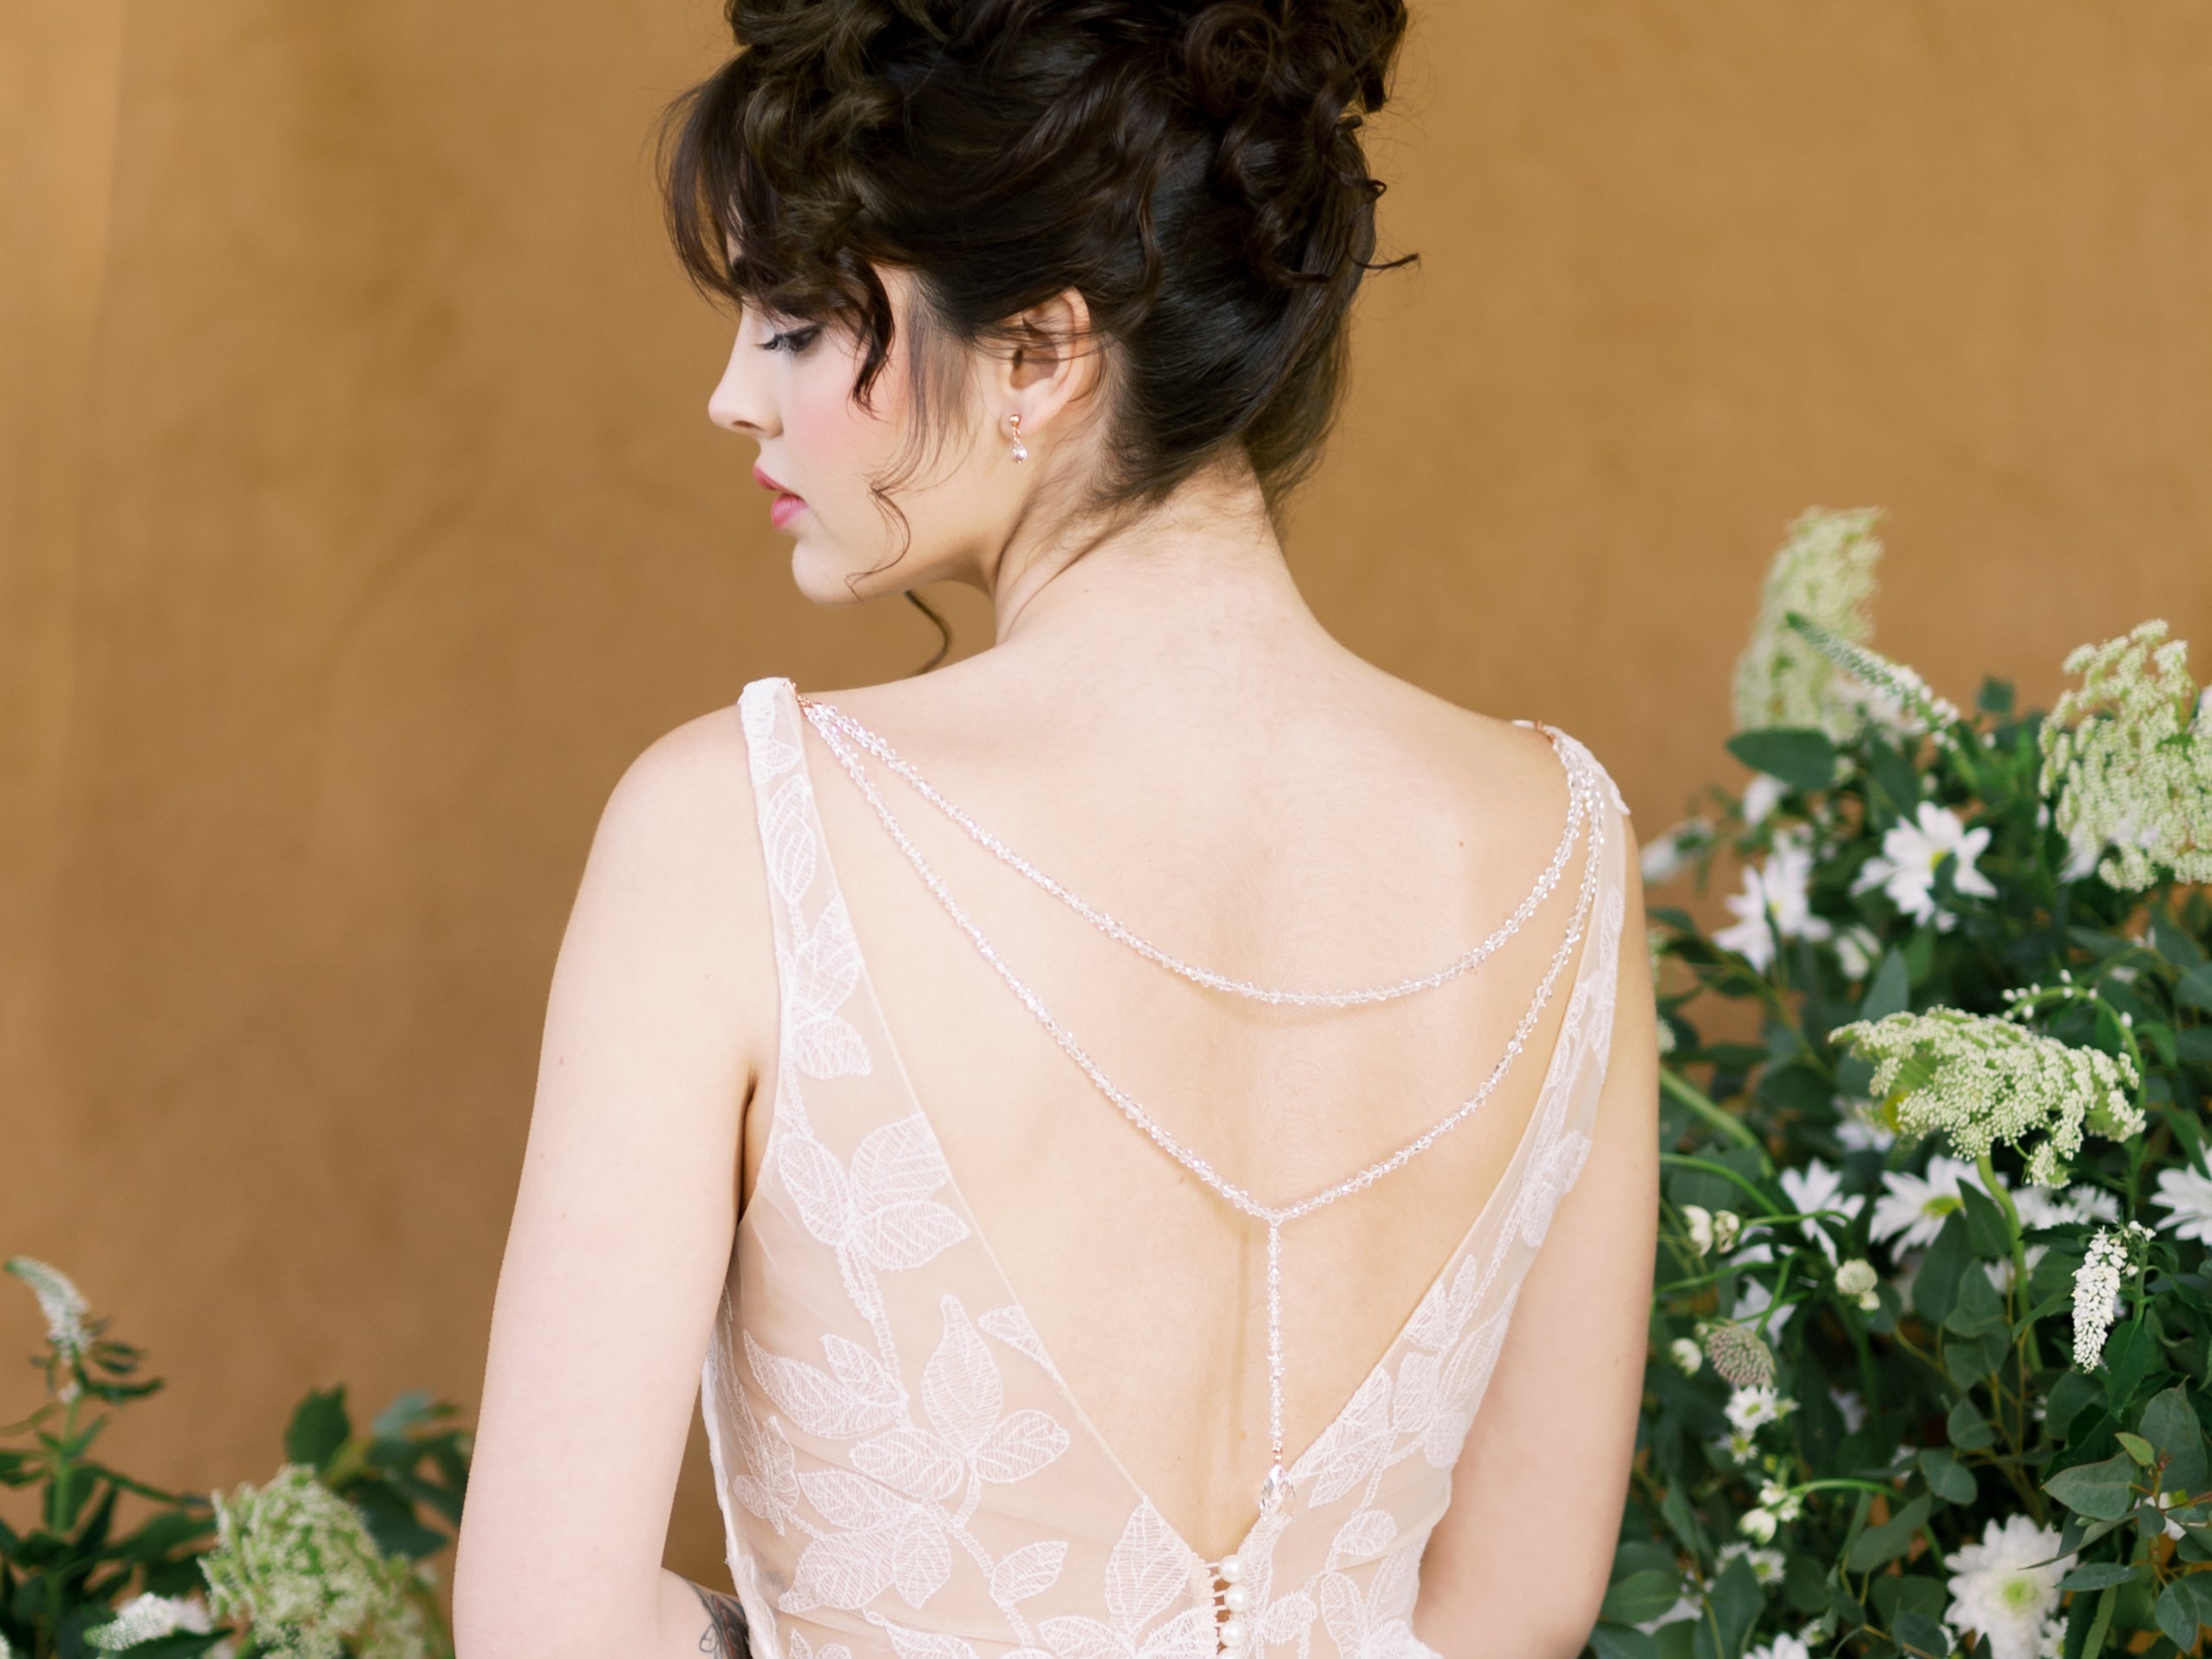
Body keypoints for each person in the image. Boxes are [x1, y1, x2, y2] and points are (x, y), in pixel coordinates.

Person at [451, 3, 1659, 1657]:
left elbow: (546, 1624)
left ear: (1041, 351)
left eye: (800, 320)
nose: (734, 393)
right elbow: (1519, 1604)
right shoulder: (1564, 850)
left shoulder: (734, 829)